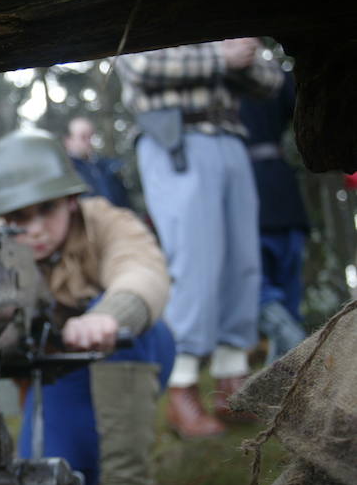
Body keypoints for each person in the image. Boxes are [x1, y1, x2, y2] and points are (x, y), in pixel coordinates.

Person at [0, 129, 175, 485]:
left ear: (69, 199)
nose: (35, 229)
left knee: (134, 327)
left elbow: (142, 268)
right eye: (18, 215)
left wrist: (109, 315)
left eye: (45, 208)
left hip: (130, 354)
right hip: (57, 379)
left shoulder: (105, 219)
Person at [116, 39, 283, 438]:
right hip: (175, 135)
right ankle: (181, 384)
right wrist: (220, 58)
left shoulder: (223, 21)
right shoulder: (145, 9)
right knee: (194, 262)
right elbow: (137, 65)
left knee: (242, 262)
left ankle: (232, 380)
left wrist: (240, 56)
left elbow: (269, 81)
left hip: (229, 136)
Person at [239, 70, 309, 362]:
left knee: (284, 287)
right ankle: (295, 341)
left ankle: (292, 361)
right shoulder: (213, 78)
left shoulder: (274, 80)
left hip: (276, 195)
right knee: (258, 285)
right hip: (250, 191)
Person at [63, 116, 133, 209]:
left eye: (91, 136)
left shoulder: (108, 166)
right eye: (83, 137)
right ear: (68, 141)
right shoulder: (65, 171)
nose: (89, 141)